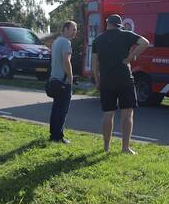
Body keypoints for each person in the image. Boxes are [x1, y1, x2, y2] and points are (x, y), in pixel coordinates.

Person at [92, 14, 149, 154]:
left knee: (108, 114)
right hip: (125, 80)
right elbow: (145, 43)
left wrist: (98, 80)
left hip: (107, 81)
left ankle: (106, 147)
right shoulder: (127, 35)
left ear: (108, 24)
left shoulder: (98, 40)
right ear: (120, 24)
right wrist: (130, 57)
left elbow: (94, 64)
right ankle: (125, 148)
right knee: (127, 114)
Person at [48, 20, 78, 143]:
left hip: (54, 79)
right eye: (73, 29)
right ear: (65, 29)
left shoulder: (56, 41)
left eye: (76, 29)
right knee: (62, 110)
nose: (75, 31)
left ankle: (53, 134)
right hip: (63, 82)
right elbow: (66, 61)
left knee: (56, 108)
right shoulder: (66, 42)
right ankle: (58, 136)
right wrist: (70, 78)